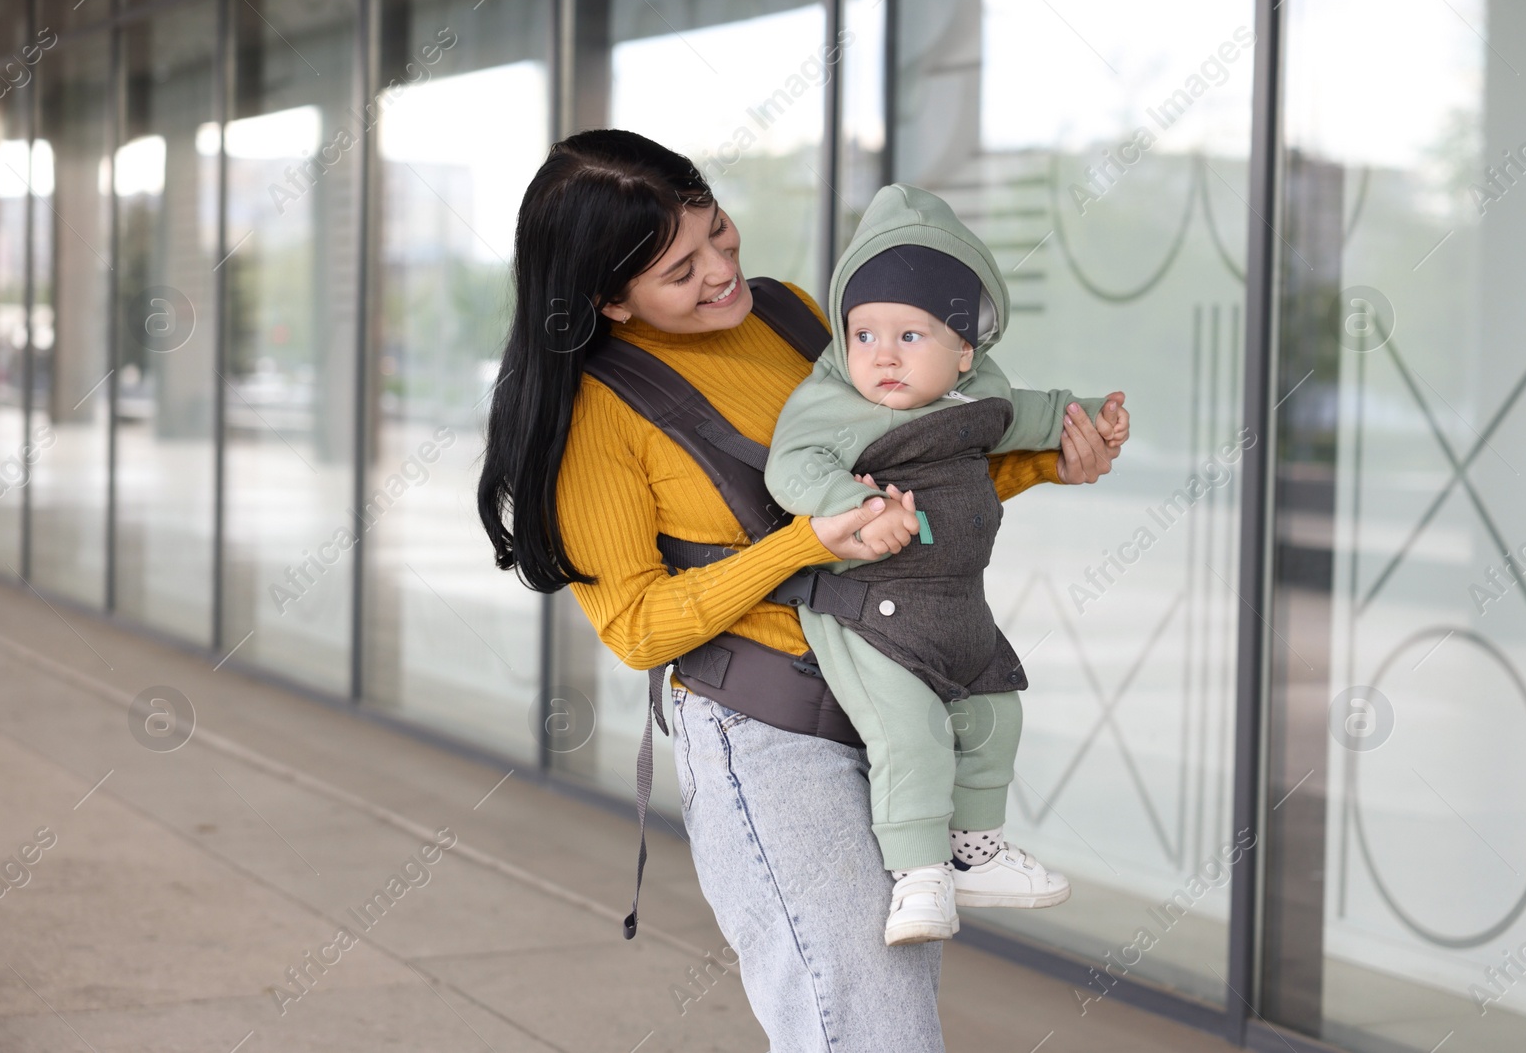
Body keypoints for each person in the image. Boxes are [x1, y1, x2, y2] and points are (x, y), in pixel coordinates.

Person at [476, 129, 1129, 1053]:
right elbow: (636, 627)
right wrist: (799, 542)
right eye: (680, 269)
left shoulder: (790, 315)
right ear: (608, 303)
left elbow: (915, 473)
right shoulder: (598, 419)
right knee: (870, 1023)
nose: (720, 271)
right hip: (767, 733)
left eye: (718, 231)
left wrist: (1052, 462)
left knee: (881, 1007)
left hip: (894, 687)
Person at [764, 182, 1129, 946]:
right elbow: (791, 469)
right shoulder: (830, 406)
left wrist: (1088, 416)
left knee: (996, 714)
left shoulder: (976, 399)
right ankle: (918, 873)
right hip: (870, 610)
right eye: (864, 336)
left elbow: (1034, 413)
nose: (883, 356)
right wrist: (852, 505)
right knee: (912, 734)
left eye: (910, 336)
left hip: (959, 607)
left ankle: (976, 850)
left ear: (965, 350)